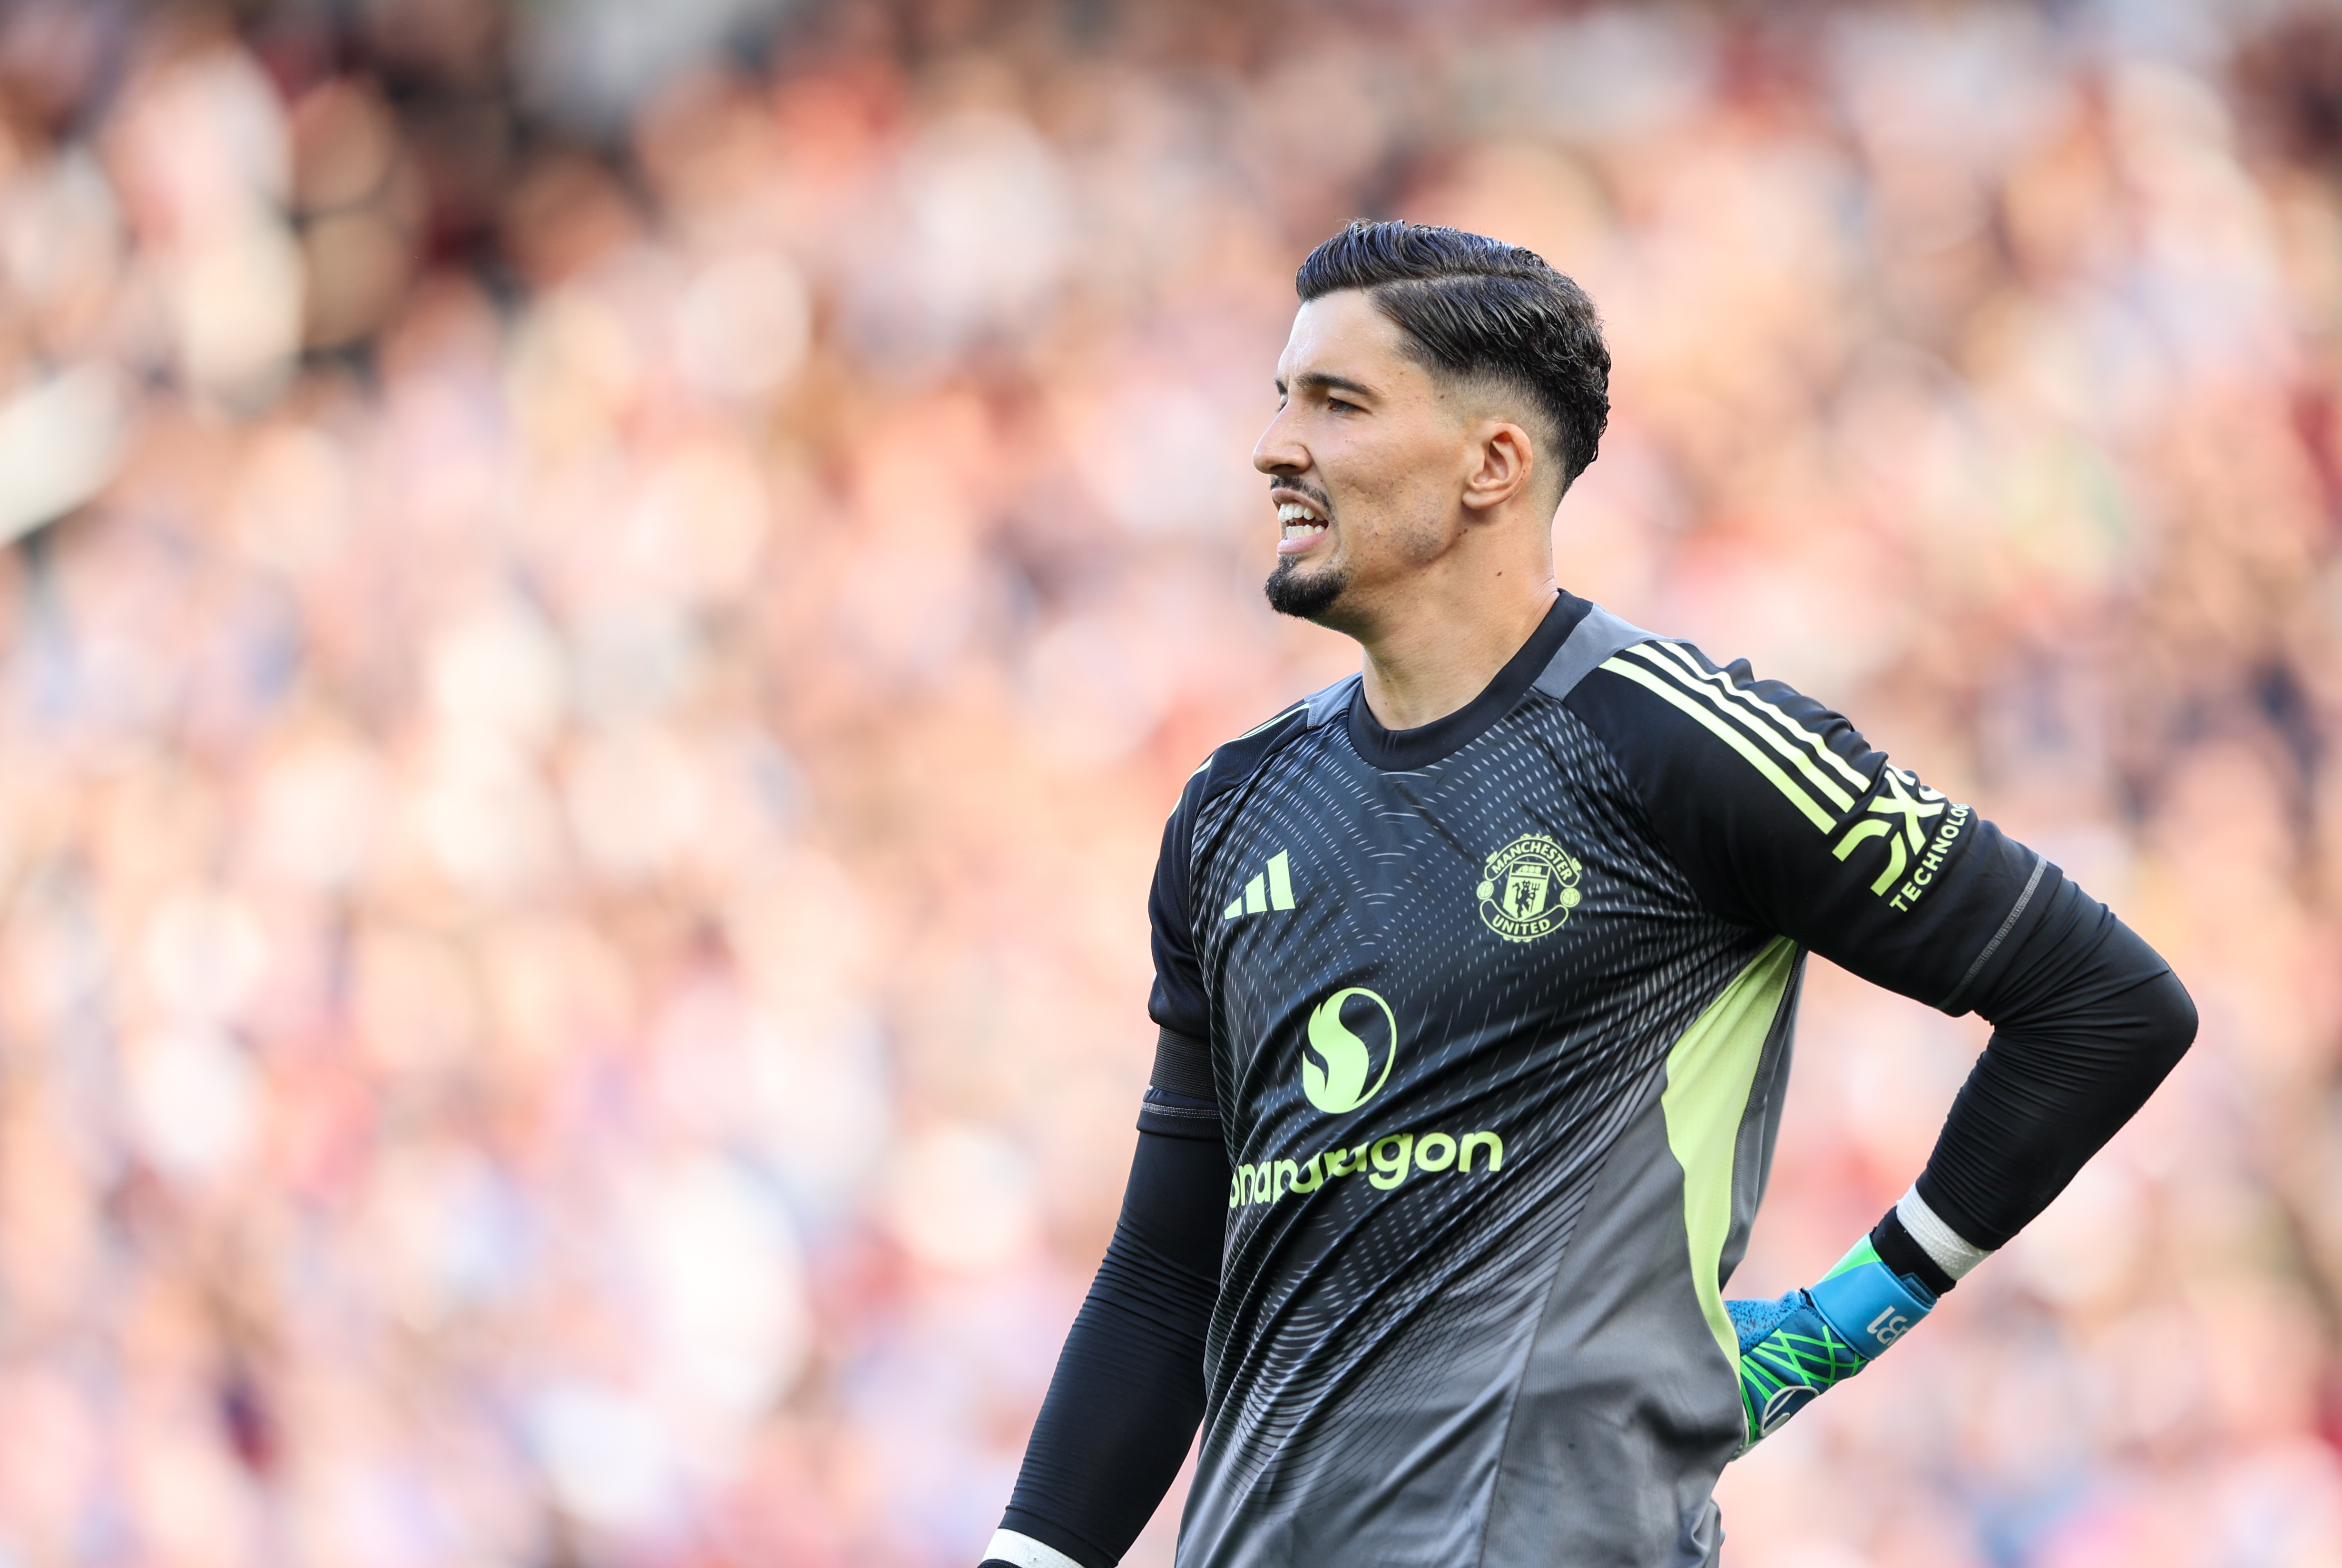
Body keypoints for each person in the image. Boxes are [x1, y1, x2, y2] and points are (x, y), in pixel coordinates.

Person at [977, 221, 2196, 1568]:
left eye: (1335, 402)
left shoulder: (1677, 742)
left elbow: (2102, 1002)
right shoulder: (1235, 806)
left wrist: (1859, 1307)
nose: (1274, 446)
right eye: (1280, 397)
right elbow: (1166, 1276)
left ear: (1492, 465)